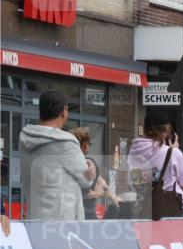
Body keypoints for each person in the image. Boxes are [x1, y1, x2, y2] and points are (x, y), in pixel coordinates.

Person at [19, 90, 95, 220]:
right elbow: (86, 181)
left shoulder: (25, 138)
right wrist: (90, 165)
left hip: (35, 217)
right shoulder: (66, 143)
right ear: (64, 111)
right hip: (63, 224)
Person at [127, 108, 183, 219]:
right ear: (166, 132)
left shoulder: (134, 151)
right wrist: (174, 151)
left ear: (145, 129)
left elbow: (134, 179)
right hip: (167, 207)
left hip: (142, 208)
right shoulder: (172, 153)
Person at [72, 127, 119, 220]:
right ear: (85, 144)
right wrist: (97, 193)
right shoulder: (85, 164)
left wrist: (113, 197)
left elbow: (101, 181)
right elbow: (82, 193)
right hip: (82, 214)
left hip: (82, 214)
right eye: (89, 143)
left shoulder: (78, 163)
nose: (89, 146)